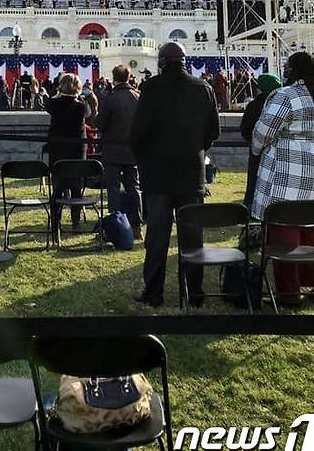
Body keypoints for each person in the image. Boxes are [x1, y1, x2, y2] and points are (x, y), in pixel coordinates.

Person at [130, 43, 220, 307]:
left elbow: (138, 133)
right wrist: (195, 149)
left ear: (162, 62)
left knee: (157, 236)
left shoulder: (152, 87)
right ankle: (194, 292)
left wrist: (145, 158)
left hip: (157, 173)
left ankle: (154, 292)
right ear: (184, 60)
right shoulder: (203, 88)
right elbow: (212, 131)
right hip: (191, 172)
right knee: (192, 235)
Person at [251, 52, 314, 304]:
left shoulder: (285, 96)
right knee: (310, 221)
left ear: (292, 70)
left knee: (284, 223)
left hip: (288, 163)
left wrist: (257, 149)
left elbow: (263, 131)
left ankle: (289, 291)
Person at [94, 64, 141, 238]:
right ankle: (137, 227)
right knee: (134, 189)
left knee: (113, 189)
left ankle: (116, 226)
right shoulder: (138, 96)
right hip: (133, 151)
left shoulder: (109, 98)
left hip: (112, 151)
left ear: (114, 78)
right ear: (129, 77)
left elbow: (100, 123)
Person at [46, 73, 88, 233]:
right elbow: (89, 112)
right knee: (76, 187)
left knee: (58, 187)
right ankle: (75, 222)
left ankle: (55, 222)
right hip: (77, 150)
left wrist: (59, 93)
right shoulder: (80, 105)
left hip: (58, 150)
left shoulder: (54, 104)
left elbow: (49, 104)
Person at [239, 73, 281, 212]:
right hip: (279, 151)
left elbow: (245, 129)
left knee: (254, 181)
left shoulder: (254, 105)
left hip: (258, 149)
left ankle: (251, 208)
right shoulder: (281, 102)